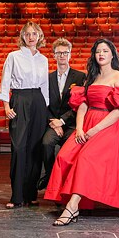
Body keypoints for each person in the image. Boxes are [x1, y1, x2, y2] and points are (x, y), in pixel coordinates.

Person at [44, 38, 119, 226]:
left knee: (86, 158)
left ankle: (72, 207)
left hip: (111, 126)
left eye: (105, 51)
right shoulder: (92, 77)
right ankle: (74, 201)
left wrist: (96, 129)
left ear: (112, 54)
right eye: (98, 51)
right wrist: (80, 128)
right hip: (88, 123)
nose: (101, 54)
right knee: (64, 156)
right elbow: (82, 105)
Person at [0, 21, 50, 209]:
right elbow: (5, 82)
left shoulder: (44, 59)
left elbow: (45, 87)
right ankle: (16, 196)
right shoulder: (13, 56)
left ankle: (30, 195)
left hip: (38, 102)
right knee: (19, 148)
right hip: (19, 99)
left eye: (34, 33)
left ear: (39, 36)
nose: (31, 37)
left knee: (35, 150)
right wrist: (6, 106)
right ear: (23, 36)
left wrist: (45, 109)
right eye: (27, 34)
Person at [37, 38, 86, 191]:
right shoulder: (47, 77)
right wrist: (53, 122)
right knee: (46, 143)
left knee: (69, 149)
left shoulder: (80, 77)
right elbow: (42, 103)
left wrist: (62, 121)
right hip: (52, 122)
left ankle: (67, 179)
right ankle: (50, 175)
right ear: (54, 55)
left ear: (70, 55)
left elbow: (81, 104)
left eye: (65, 53)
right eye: (59, 53)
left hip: (71, 123)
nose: (62, 56)